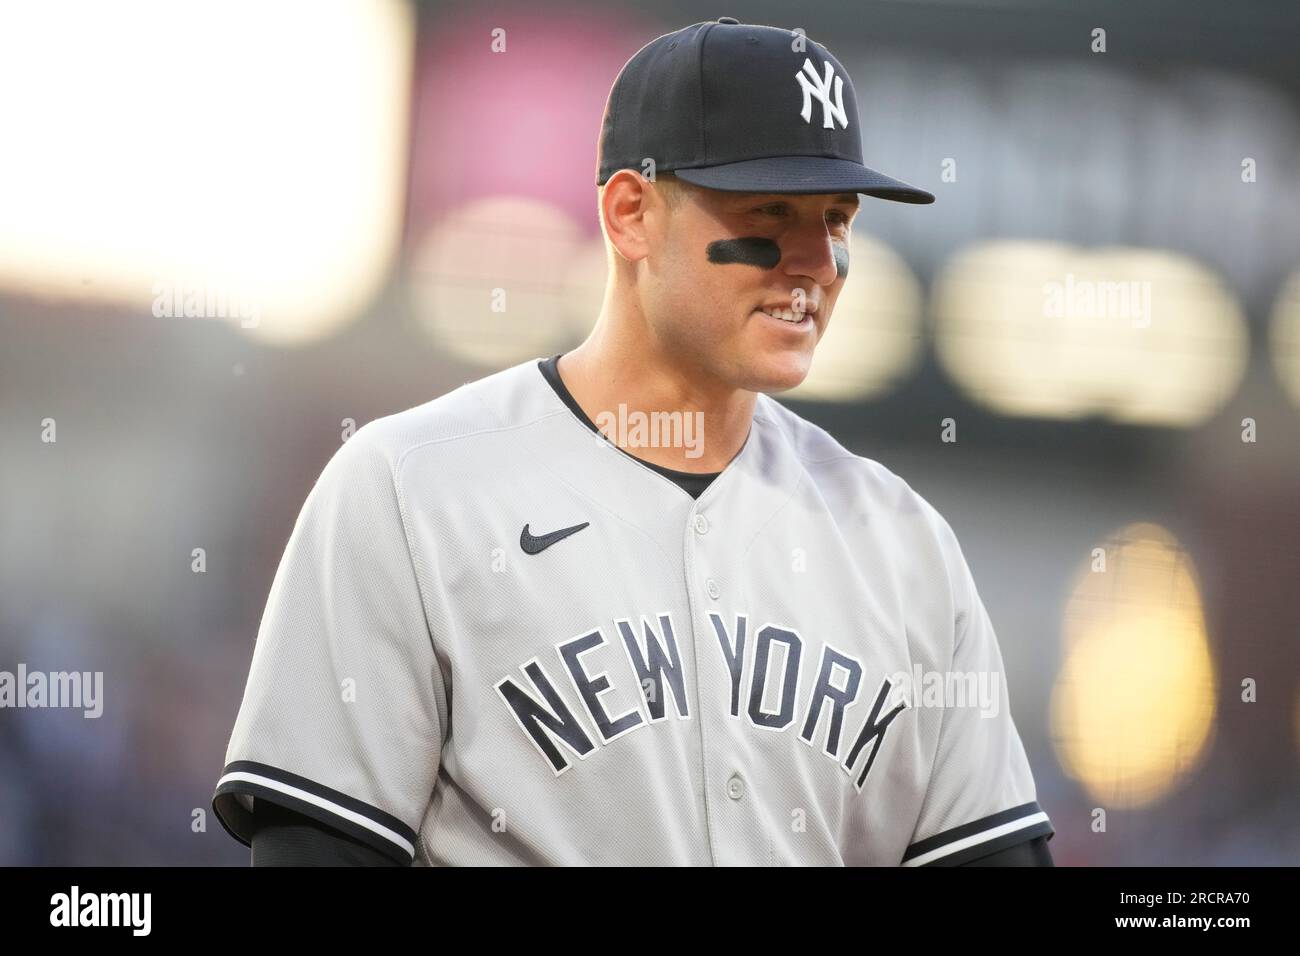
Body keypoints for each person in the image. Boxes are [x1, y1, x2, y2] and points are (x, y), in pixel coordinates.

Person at [213, 17, 1053, 867]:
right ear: (630, 214)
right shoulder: (409, 489)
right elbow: (317, 849)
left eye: (836, 218)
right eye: (771, 211)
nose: (819, 263)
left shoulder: (906, 546)